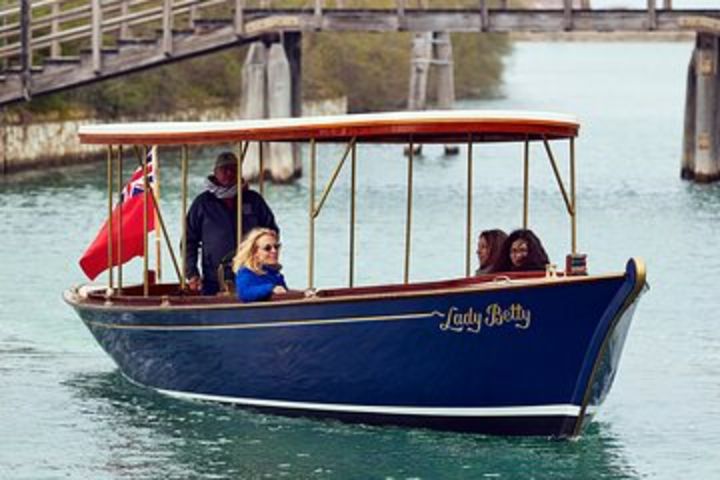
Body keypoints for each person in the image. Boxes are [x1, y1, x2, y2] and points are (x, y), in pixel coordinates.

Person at [185, 152, 279, 295]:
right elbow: (188, 241)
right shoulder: (202, 204)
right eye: (224, 169)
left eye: (233, 169)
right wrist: (192, 273)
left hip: (253, 275)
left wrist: (267, 261)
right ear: (215, 173)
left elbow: (272, 233)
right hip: (214, 279)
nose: (229, 173)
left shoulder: (253, 200)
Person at [232, 228, 288, 302]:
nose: (274, 251)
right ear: (254, 253)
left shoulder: (275, 275)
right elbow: (244, 293)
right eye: (267, 248)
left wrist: (303, 294)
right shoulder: (246, 273)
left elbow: (286, 294)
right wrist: (270, 288)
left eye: (276, 246)